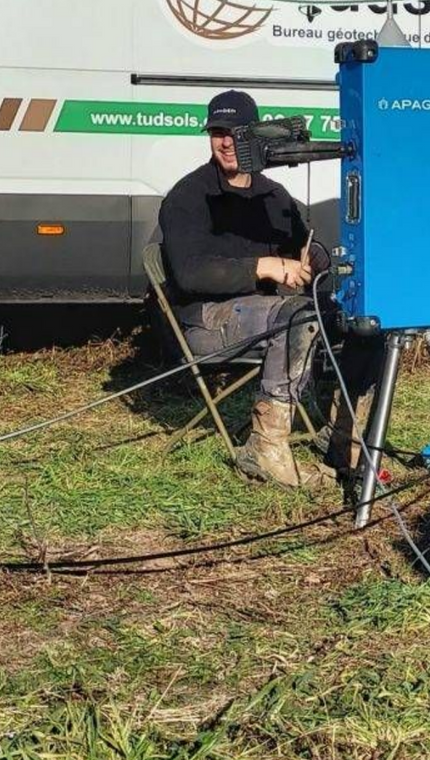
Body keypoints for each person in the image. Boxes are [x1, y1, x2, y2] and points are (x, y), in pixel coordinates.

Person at [157, 89, 378, 487]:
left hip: (272, 315)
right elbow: (190, 274)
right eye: (217, 132)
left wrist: (315, 260)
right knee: (297, 316)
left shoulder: (273, 195)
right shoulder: (188, 196)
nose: (226, 142)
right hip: (207, 322)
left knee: (364, 321)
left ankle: (344, 439)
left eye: (236, 133)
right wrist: (267, 266)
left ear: (255, 138)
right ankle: (266, 448)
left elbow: (306, 248)